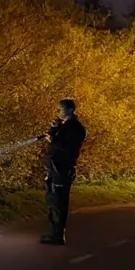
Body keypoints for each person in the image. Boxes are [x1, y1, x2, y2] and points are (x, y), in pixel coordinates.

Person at [40, 99, 86, 245]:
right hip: (54, 167)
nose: (57, 111)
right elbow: (56, 140)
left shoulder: (77, 129)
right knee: (52, 199)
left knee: (59, 201)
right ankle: (54, 232)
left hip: (63, 168)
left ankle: (58, 235)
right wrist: (53, 129)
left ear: (70, 110)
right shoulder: (62, 125)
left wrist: (53, 139)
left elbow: (68, 148)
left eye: (60, 109)